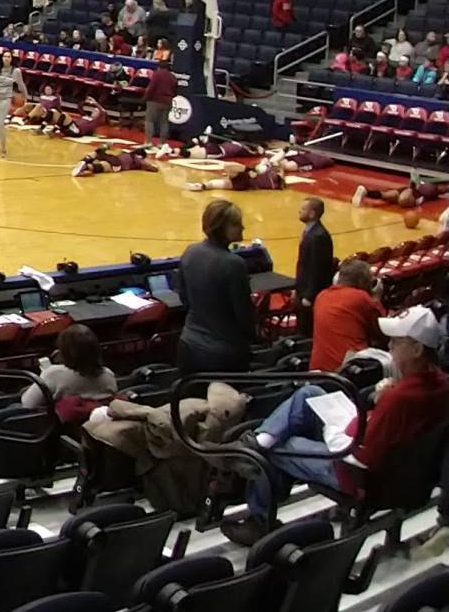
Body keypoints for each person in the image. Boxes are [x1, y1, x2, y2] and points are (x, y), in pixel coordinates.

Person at [227, 305, 448, 542]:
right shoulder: (442, 384)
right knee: (309, 393)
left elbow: (362, 458)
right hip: (409, 478)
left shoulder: (399, 398)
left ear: (416, 349)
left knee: (277, 447)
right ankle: (258, 441)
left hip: (360, 477)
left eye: (397, 341)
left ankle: (259, 514)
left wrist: (335, 429)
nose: (390, 345)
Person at [176, 196, 255, 375]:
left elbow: (183, 297)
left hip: (189, 344)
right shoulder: (233, 263)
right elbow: (243, 313)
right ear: (221, 227)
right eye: (236, 224)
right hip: (223, 353)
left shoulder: (190, 252)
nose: (242, 227)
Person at [20, 325, 117, 418]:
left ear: (64, 350)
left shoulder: (53, 374)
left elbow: (28, 404)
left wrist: (45, 377)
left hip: (54, 427)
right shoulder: (109, 375)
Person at [308, 259, 384, 374]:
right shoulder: (361, 297)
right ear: (362, 281)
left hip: (317, 370)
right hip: (349, 371)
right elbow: (380, 330)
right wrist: (376, 300)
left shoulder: (321, 296)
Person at [292, 195, 336, 321]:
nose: (299, 211)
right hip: (303, 289)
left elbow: (318, 268)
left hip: (310, 295)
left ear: (312, 214)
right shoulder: (310, 232)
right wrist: (297, 288)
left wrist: (309, 296)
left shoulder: (318, 237)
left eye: (303, 209)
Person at [0, 48, 26, 156]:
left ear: (12, 59)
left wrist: (25, 97)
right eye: (5, 56)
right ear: (1, 58)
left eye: (9, 57)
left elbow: (21, 85)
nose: (6, 58)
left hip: (5, 98)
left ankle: (3, 147)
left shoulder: (16, 71)